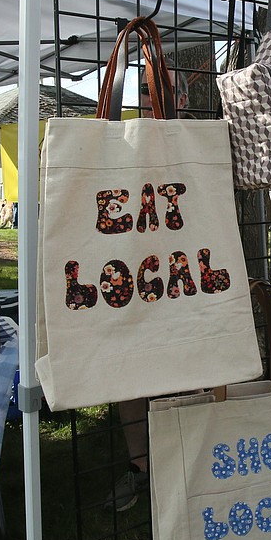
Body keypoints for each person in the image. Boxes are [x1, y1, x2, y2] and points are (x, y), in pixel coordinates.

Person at [106, 63, 190, 511]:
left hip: (184, 284)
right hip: (132, 284)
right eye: (144, 86)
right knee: (130, 377)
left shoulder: (195, 145)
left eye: (162, 87)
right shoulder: (119, 142)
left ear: (182, 97)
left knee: (187, 375)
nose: (151, 93)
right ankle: (140, 467)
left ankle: (183, 468)